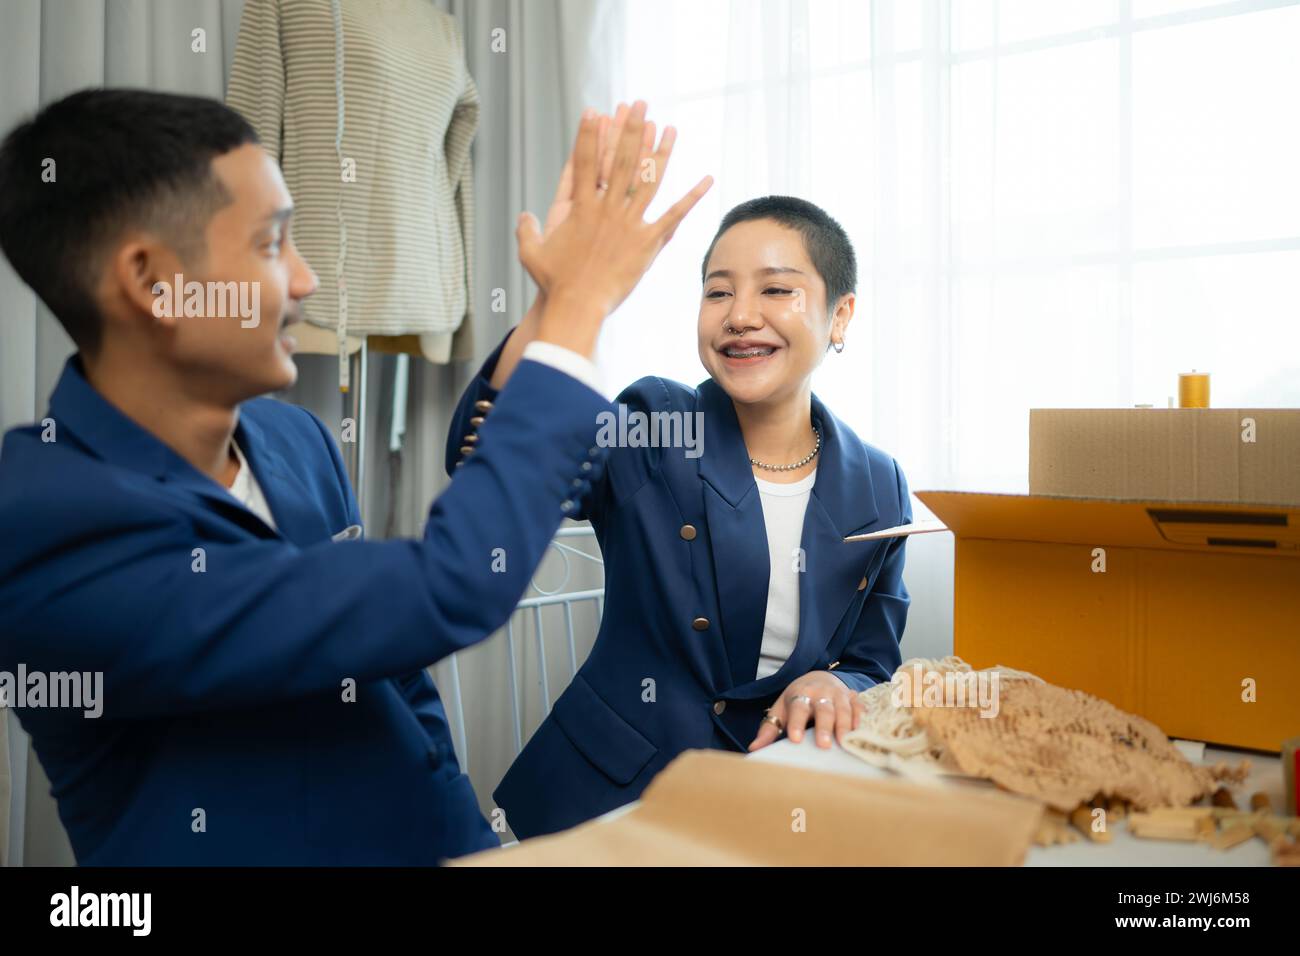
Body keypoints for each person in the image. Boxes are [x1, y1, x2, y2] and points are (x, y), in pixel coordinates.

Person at [0, 90, 709, 864]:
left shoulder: (292, 438)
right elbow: (451, 583)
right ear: (150, 281)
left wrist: (548, 309)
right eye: (273, 245)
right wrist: (579, 307)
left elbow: (394, 673)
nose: (305, 280)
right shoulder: (42, 522)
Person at [450, 161, 911, 840]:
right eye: (717, 293)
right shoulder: (658, 418)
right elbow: (496, 455)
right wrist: (563, 299)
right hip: (614, 796)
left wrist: (834, 685)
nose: (741, 316)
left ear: (840, 314)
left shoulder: (880, 482)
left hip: (775, 794)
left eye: (776, 289)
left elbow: (874, 657)